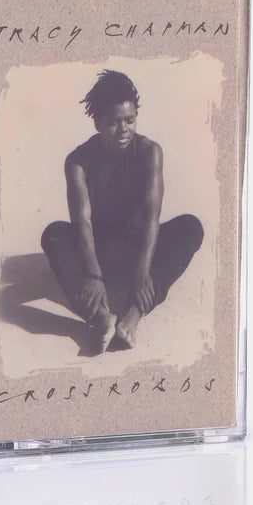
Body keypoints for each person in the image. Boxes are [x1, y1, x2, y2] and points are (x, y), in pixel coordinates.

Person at [41, 70, 204, 354]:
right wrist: (93, 276)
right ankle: (101, 317)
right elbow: (82, 221)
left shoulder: (150, 152)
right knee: (53, 234)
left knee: (191, 227)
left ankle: (132, 317)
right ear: (97, 123)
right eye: (114, 122)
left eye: (130, 120)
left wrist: (143, 272)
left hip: (138, 251)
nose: (123, 129)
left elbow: (152, 219)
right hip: (99, 254)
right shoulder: (78, 161)